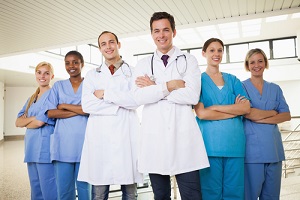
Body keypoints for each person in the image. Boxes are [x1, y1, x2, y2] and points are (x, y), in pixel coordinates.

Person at [132, 11, 209, 200]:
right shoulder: (143, 64)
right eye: (156, 31)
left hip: (184, 139)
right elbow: (138, 98)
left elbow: (191, 96)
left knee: (193, 196)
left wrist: (156, 90)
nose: (161, 35)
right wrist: (171, 85)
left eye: (166, 30)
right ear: (151, 34)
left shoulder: (188, 60)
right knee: (161, 196)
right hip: (155, 140)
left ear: (174, 32)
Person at [77, 31, 143, 200]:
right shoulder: (92, 75)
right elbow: (88, 105)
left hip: (126, 136)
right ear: (99, 48)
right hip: (100, 139)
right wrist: (120, 103)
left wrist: (105, 94)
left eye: (111, 42)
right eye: (103, 44)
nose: (108, 46)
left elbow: (135, 101)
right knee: (99, 194)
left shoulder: (134, 72)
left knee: (130, 192)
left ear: (118, 44)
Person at [194, 38, 250, 200]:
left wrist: (214, 107)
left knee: (235, 192)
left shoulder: (233, 80)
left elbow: (245, 108)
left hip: (235, 145)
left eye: (219, 50)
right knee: (210, 192)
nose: (216, 54)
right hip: (209, 147)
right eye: (212, 50)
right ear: (204, 53)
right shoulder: (198, 81)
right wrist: (234, 111)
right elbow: (202, 114)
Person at [242, 48, 291, 200]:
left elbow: (286, 115)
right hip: (252, 153)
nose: (257, 65)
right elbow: (247, 112)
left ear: (265, 63)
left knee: (272, 196)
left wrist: (260, 118)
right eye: (252, 62)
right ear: (247, 65)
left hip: (274, 151)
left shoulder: (275, 89)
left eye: (260, 61)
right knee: (249, 195)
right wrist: (272, 112)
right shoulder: (241, 87)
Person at [44, 51, 91, 200]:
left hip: (85, 145)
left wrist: (64, 105)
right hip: (62, 146)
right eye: (67, 63)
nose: (71, 66)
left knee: (85, 190)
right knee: (64, 191)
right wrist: (80, 110)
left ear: (82, 64)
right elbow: (51, 113)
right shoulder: (58, 86)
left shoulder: (90, 85)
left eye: (75, 62)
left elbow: (91, 109)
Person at [15, 61, 57, 200]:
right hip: (31, 148)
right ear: (35, 74)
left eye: (46, 73)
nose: (42, 76)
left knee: (49, 188)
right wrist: (32, 120)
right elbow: (17, 122)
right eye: (39, 72)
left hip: (45, 149)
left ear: (52, 76)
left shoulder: (53, 95)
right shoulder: (31, 98)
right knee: (36, 188)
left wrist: (27, 121)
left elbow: (40, 122)